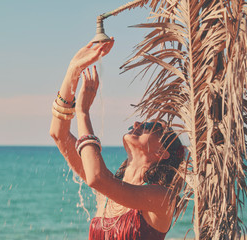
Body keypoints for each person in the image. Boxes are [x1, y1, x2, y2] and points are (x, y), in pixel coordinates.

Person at [49, 38, 185, 239]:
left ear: (162, 153)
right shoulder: (106, 193)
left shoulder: (162, 198)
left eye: (150, 126)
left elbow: (96, 177)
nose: (138, 124)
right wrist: (73, 71)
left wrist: (83, 112)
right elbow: (58, 134)